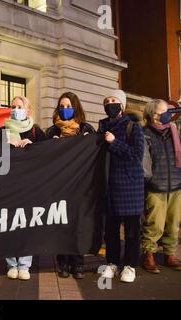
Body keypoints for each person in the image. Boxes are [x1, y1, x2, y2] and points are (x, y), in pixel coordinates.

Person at [46, 92, 95, 280]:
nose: (64, 109)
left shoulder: (86, 129)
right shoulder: (51, 132)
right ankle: (63, 263)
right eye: (61, 106)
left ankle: (78, 263)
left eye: (68, 106)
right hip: (59, 186)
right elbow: (41, 157)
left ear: (76, 107)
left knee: (78, 225)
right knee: (61, 224)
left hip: (81, 186)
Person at [97, 89, 144, 283]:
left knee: (132, 231)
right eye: (107, 101)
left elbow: (136, 155)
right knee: (111, 231)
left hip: (130, 187)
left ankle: (130, 266)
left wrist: (114, 142)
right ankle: (112, 263)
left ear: (122, 106)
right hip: (109, 187)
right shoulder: (101, 129)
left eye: (114, 100)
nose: (110, 103)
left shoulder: (133, 127)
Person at [0, 96, 46, 281]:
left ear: (28, 111)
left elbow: (49, 153)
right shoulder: (2, 131)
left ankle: (24, 264)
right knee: (8, 225)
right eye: (13, 106)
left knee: (27, 225)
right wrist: (4, 145)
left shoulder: (36, 132)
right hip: (8, 187)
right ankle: (11, 264)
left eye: (20, 107)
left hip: (29, 187)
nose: (15, 109)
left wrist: (34, 148)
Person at [141, 99, 181, 273]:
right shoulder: (145, 133)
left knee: (173, 223)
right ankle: (148, 253)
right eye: (156, 113)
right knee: (154, 224)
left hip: (176, 184)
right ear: (151, 114)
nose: (160, 116)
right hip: (156, 186)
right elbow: (144, 162)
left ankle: (170, 253)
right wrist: (149, 180)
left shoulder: (174, 132)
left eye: (164, 112)